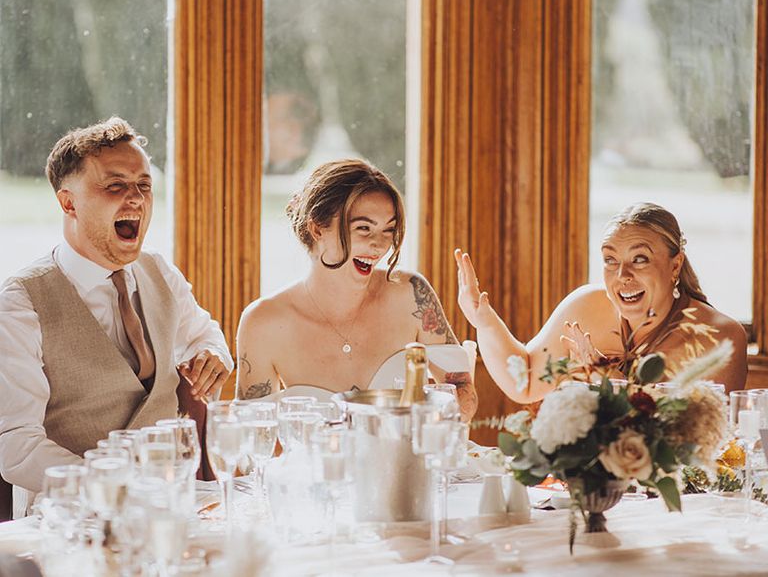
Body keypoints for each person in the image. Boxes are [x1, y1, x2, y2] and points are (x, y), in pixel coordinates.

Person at [0, 117, 233, 496]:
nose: (137, 198)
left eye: (144, 184)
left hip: (173, 503)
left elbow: (203, 333)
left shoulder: (159, 270)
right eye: (116, 186)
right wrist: (114, 489)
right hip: (76, 520)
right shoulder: (21, 302)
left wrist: (213, 352)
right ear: (69, 203)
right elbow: (16, 447)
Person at [237, 159, 478, 420]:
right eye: (363, 228)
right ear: (317, 228)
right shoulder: (263, 322)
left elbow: (464, 392)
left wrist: (424, 425)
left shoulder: (411, 294)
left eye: (388, 230)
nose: (379, 246)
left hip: (407, 459)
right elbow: (251, 436)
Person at [455, 202, 747, 402]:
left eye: (640, 259)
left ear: (675, 265)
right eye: (610, 260)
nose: (623, 276)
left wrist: (604, 376)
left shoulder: (720, 338)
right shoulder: (587, 306)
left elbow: (696, 441)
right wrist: (485, 321)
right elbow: (526, 381)